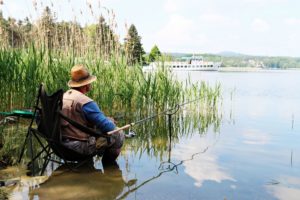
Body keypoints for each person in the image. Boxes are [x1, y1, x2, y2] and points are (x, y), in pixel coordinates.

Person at [60, 64, 124, 162]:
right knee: (118, 133)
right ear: (86, 84)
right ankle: (110, 169)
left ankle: (87, 166)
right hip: (78, 149)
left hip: (60, 146)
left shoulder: (63, 96)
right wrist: (109, 121)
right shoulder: (86, 102)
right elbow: (109, 128)